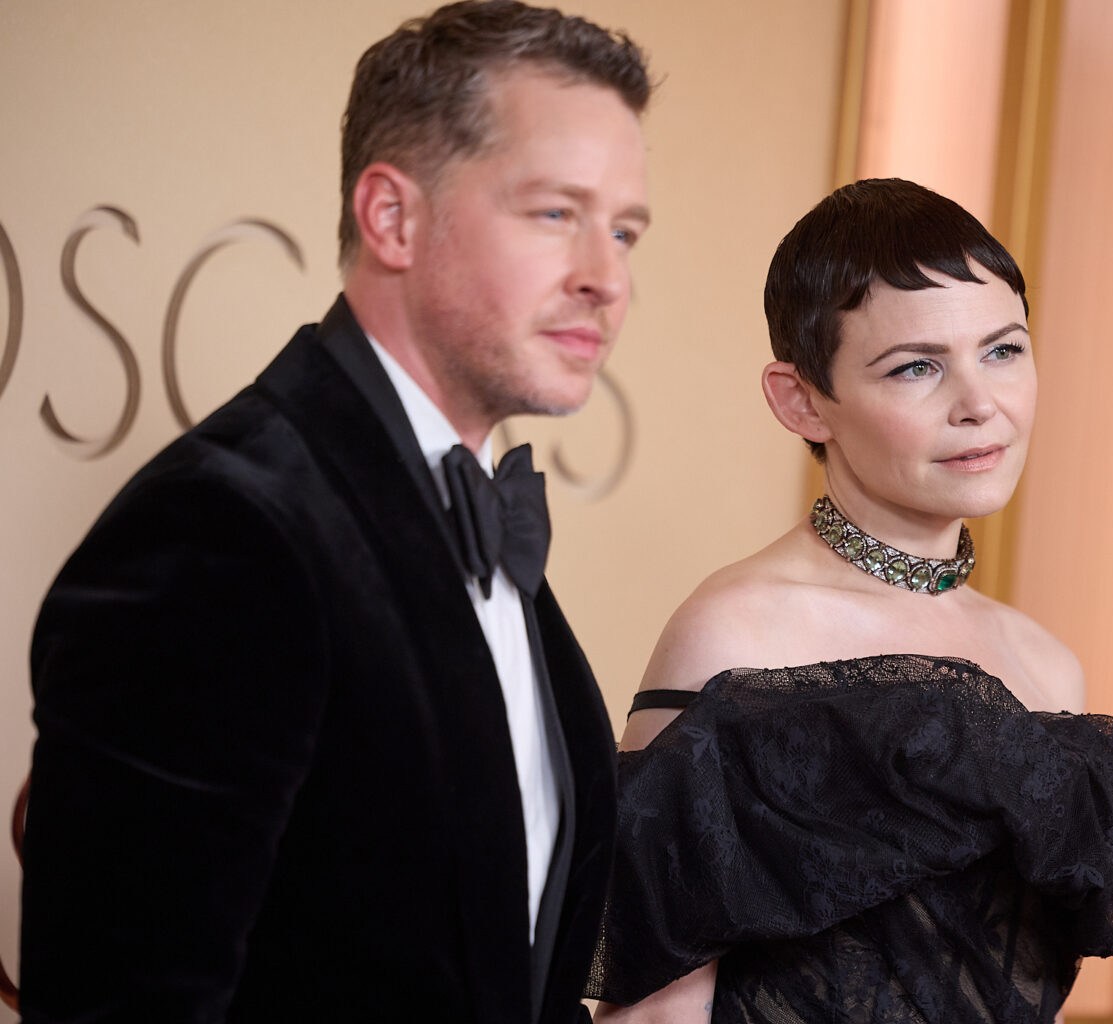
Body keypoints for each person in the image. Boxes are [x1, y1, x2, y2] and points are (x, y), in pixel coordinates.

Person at [20, 3, 651, 1021]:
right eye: (554, 214)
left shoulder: (470, 518)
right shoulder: (223, 530)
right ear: (392, 217)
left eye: (624, 229)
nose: (608, 278)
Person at [586, 179, 1113, 1023]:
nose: (980, 405)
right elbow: (653, 1003)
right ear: (801, 401)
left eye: (1003, 350)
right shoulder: (739, 630)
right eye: (917, 367)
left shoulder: (1044, 663)